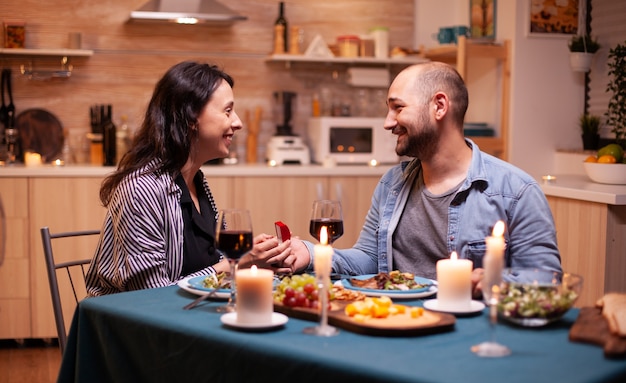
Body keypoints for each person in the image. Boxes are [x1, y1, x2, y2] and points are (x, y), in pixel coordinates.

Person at [290, 62, 561, 294]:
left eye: (398, 108)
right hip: (398, 323)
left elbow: (545, 280)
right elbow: (370, 259)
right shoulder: (391, 184)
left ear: (439, 106)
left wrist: (491, 283)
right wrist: (310, 253)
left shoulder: (516, 192)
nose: (387, 122)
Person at [86, 61, 294, 296]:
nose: (238, 123)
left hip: (190, 313)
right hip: (135, 326)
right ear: (191, 118)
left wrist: (256, 257)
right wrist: (233, 266)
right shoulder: (141, 190)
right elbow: (150, 296)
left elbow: (211, 263)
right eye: (227, 111)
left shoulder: (196, 181)